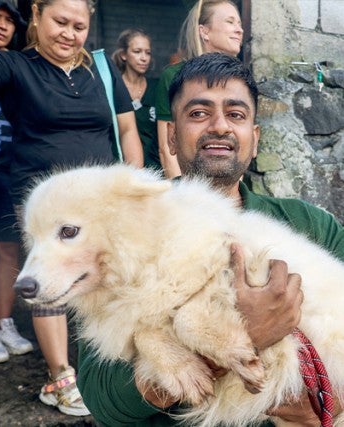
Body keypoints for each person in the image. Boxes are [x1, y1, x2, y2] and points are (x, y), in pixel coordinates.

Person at [76, 53, 344, 426]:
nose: (219, 126)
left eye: (236, 114)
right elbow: (102, 398)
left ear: (255, 137)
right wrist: (237, 341)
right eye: (199, 114)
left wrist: (324, 405)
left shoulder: (310, 225)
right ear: (171, 135)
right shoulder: (119, 234)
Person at [0, 0, 144, 417]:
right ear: (37, 15)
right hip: (43, 203)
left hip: (99, 202)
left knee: (108, 280)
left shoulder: (100, 66)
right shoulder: (13, 66)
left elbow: (127, 129)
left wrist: (134, 186)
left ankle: (109, 367)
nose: (69, 33)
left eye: (78, 26)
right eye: (60, 21)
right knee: (50, 283)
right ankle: (60, 377)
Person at [156, 0, 243, 178]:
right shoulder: (174, 76)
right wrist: (182, 197)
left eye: (239, 24)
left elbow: (240, 145)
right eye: (230, 22)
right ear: (204, 31)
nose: (239, 30)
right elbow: (167, 147)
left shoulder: (239, 80)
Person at [0, 0, 33, 365]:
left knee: (8, 249)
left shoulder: (19, 67)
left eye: (9, 21)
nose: (2, 25)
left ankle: (4, 322)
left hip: (7, 169)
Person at [112, 28, 160, 170]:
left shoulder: (157, 88)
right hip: (120, 169)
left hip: (155, 169)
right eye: (137, 51)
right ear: (123, 55)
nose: (144, 58)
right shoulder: (113, 87)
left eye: (148, 52)